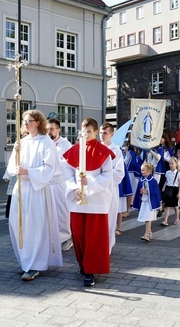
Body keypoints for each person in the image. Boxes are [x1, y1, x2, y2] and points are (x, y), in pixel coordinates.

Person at [7, 110, 63, 281]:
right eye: (23, 120)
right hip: (21, 189)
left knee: (35, 226)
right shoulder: (21, 142)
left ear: (38, 122)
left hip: (37, 189)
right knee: (17, 224)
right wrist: (15, 156)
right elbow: (11, 168)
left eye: (29, 120)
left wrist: (28, 172)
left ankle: (34, 265)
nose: (25, 123)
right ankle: (25, 261)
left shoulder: (46, 142)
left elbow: (49, 167)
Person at [63, 117, 115, 287]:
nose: (85, 134)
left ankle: (91, 270)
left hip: (96, 201)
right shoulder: (74, 150)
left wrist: (90, 184)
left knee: (93, 237)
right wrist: (73, 188)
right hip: (77, 198)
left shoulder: (103, 152)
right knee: (77, 234)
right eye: (83, 131)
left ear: (95, 132)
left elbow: (107, 175)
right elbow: (67, 174)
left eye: (89, 132)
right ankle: (83, 263)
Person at [46, 118, 73, 252]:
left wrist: (53, 163)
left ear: (58, 130)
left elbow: (67, 163)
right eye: (47, 129)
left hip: (60, 182)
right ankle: (51, 238)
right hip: (46, 182)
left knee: (62, 211)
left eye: (52, 129)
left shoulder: (65, 144)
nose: (49, 131)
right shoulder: (45, 142)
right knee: (48, 211)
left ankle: (66, 238)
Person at [99, 122, 125, 253]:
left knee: (109, 218)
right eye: (100, 133)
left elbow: (120, 172)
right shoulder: (96, 148)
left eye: (105, 133)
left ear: (111, 134)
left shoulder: (116, 150)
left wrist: (105, 174)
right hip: (97, 190)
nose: (102, 135)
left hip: (110, 189)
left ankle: (107, 247)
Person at [132, 162, 161, 242]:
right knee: (146, 218)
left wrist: (148, 192)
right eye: (141, 170)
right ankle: (150, 232)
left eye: (143, 170)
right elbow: (138, 191)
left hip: (150, 203)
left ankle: (146, 234)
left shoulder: (153, 181)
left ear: (149, 171)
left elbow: (156, 192)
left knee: (148, 218)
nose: (142, 172)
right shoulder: (141, 180)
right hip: (144, 201)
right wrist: (140, 193)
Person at [160, 157, 180, 226]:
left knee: (176, 206)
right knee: (168, 206)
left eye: (172, 163)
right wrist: (164, 187)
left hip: (175, 189)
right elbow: (166, 181)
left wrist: (179, 192)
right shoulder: (167, 172)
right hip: (168, 189)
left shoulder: (178, 173)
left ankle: (177, 218)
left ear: (176, 164)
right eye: (169, 164)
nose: (171, 165)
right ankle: (165, 220)